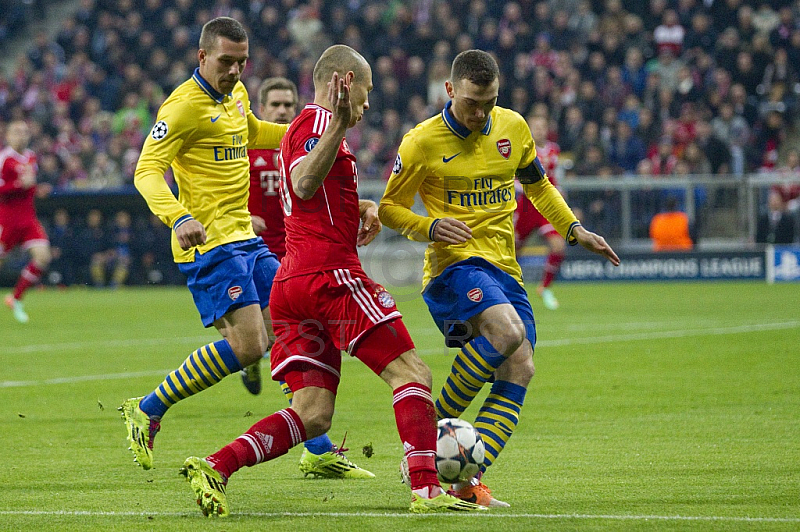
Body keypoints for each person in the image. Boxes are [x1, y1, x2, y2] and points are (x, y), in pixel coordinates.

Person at [179, 44, 484, 517]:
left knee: (313, 412)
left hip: (293, 285)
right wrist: (340, 120)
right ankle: (427, 490)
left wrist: (357, 209)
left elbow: (310, 199)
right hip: (330, 277)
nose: (367, 103)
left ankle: (216, 466)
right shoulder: (319, 123)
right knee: (413, 374)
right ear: (343, 82)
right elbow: (302, 182)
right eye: (364, 91)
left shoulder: (314, 131)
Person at [379, 50, 620, 507]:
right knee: (507, 333)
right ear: (449, 91)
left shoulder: (513, 127)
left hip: (504, 269)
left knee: (521, 365)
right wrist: (428, 226)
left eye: (489, 102)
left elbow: (538, 184)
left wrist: (574, 229)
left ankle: (466, 482)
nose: (480, 112)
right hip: (453, 268)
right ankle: (425, 446)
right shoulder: (420, 142)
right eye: (472, 102)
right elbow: (389, 207)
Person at [120, 17, 290, 472]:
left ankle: (317, 446)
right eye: (226, 62)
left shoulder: (235, 95)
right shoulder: (181, 108)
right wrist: (178, 217)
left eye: (242, 62)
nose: (236, 71)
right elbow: (145, 172)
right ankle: (148, 408)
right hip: (209, 243)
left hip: (245, 238)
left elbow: (251, 130)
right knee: (252, 347)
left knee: (290, 321)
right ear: (202, 56)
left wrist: (304, 133)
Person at [241, 76, 373, 479]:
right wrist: (237, 217)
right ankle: (317, 448)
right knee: (288, 345)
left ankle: (254, 354)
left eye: (287, 103)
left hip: (300, 256)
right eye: (274, 104)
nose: (282, 110)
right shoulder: (244, 152)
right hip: (260, 257)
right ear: (261, 107)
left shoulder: (296, 140)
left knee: (301, 347)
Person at [1, 120, 52, 324]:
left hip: (28, 219)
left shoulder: (31, 157)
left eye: (24, 132)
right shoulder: (4, 159)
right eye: (17, 132)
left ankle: (15, 298)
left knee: (43, 257)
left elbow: (29, 187)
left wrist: (37, 189)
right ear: (8, 136)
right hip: (7, 220)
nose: (21, 135)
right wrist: (18, 184)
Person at [513, 115, 565, 310]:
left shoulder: (554, 150)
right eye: (536, 127)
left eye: (543, 126)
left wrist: (561, 198)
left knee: (558, 246)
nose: (540, 130)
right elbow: (513, 176)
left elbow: (555, 178)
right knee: (513, 252)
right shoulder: (522, 149)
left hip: (545, 207)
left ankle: (544, 287)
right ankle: (510, 287)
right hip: (526, 207)